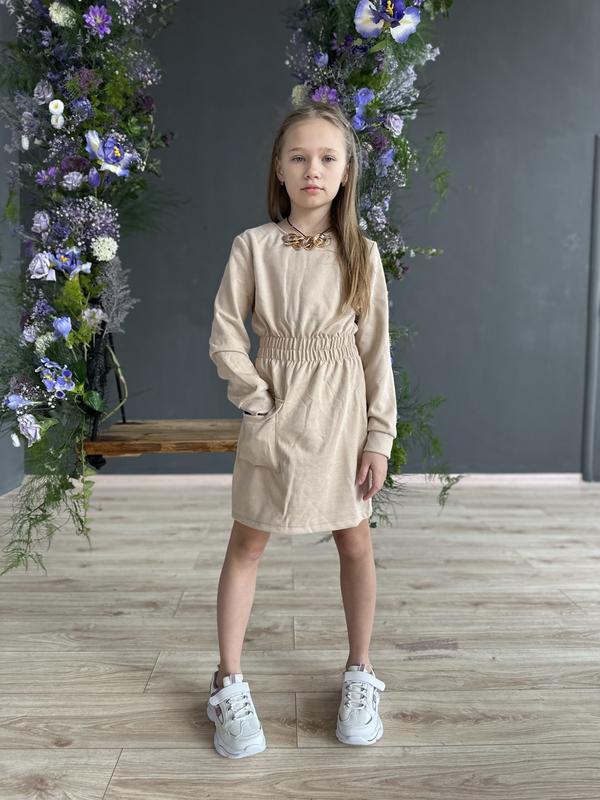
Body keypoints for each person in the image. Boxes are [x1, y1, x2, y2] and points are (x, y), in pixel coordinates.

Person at [206, 100, 397, 758]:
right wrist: (257, 399)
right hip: (277, 408)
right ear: (279, 170)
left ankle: (360, 670)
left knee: (355, 541)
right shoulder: (253, 247)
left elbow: (376, 353)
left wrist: (378, 437)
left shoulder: (362, 254)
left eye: (327, 158)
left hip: (341, 414)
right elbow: (226, 334)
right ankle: (228, 680)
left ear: (345, 173)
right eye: (299, 157)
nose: (313, 169)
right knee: (247, 542)